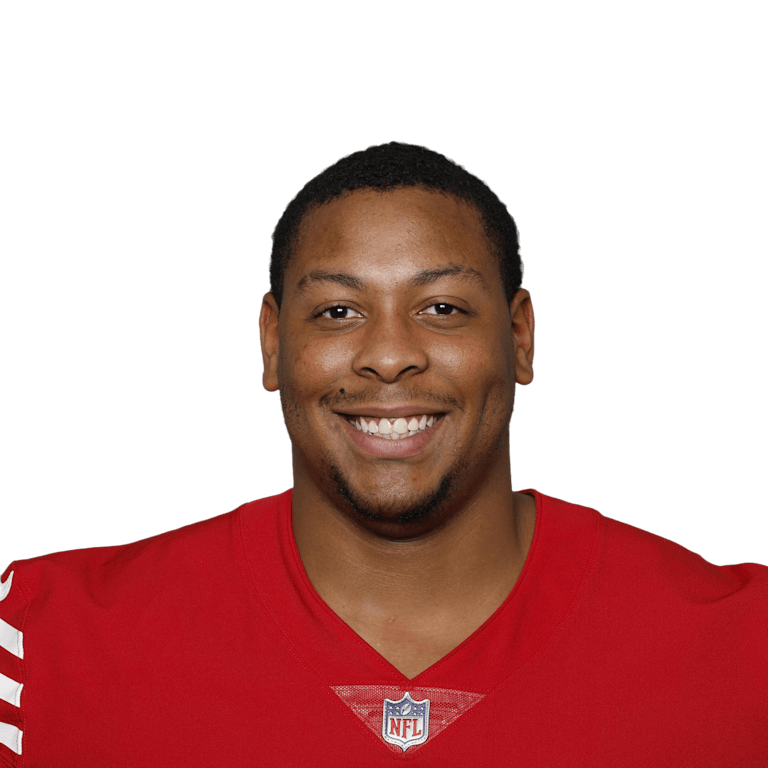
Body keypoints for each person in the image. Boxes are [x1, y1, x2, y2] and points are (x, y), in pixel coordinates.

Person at [1, 142, 765, 766]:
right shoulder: (41, 639)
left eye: (443, 308)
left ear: (521, 336)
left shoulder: (748, 648)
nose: (390, 355)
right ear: (272, 343)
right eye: (338, 311)